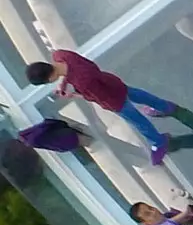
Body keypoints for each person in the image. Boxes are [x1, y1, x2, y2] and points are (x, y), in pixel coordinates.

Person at [26, 51, 178, 165]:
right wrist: (65, 84)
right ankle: (165, 106)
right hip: (110, 81)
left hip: (112, 99)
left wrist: (74, 95)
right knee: (135, 93)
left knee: (137, 120)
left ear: (49, 78)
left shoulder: (82, 83)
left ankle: (159, 142)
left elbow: (93, 96)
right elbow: (74, 70)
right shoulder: (61, 55)